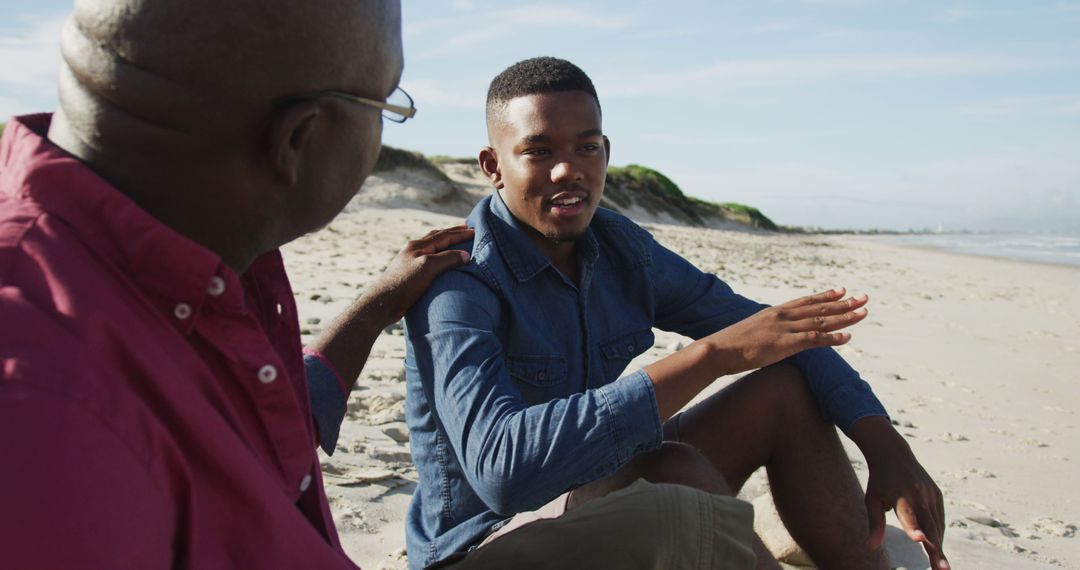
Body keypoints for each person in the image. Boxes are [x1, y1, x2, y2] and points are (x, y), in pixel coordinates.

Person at [0, 2, 757, 568]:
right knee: (687, 525)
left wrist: (372, 306)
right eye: (389, 105)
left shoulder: (215, 264)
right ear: (301, 138)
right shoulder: (44, 392)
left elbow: (278, 424)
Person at [403, 56, 950, 570]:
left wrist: (885, 444)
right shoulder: (458, 281)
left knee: (782, 388)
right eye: (539, 152)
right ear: (492, 166)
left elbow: (780, 333)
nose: (568, 169)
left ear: (606, 153)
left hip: (582, 494)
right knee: (671, 469)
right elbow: (504, 473)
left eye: (587, 147)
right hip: (479, 544)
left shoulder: (620, 250)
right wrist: (709, 357)